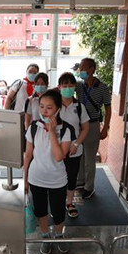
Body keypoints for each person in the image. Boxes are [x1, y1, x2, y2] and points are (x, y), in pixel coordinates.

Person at [24, 89, 75, 254]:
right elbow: (28, 155)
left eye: (49, 108)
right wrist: (25, 179)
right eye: (41, 107)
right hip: (36, 178)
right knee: (40, 210)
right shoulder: (33, 127)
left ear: (58, 109)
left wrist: (52, 131)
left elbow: (59, 156)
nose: (44, 111)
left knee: (58, 211)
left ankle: (59, 235)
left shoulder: (66, 129)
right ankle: (45, 236)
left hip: (57, 180)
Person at [75, 57, 111, 199]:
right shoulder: (79, 85)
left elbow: (108, 109)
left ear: (92, 69)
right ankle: (80, 181)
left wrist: (105, 128)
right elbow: (64, 86)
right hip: (79, 126)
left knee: (90, 158)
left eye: (83, 68)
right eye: (80, 68)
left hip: (92, 125)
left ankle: (89, 187)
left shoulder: (103, 88)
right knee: (80, 156)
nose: (81, 71)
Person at [57, 72, 89, 218]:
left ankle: (69, 203)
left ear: (75, 87)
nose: (68, 88)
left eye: (71, 85)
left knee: (71, 177)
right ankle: (57, 203)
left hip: (74, 150)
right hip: (57, 150)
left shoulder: (80, 107)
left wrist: (76, 144)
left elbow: (85, 128)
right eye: (65, 85)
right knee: (56, 177)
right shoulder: (54, 106)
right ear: (59, 87)